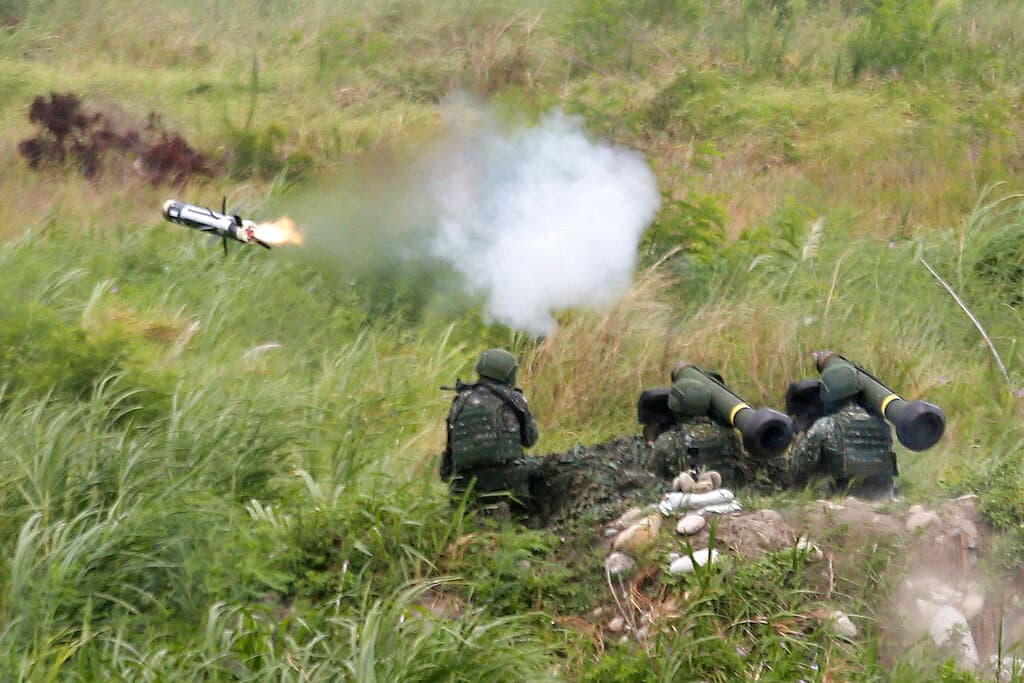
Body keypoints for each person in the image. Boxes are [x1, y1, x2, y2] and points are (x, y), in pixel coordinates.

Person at [439, 348, 539, 513]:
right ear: (509, 374)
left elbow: (450, 454)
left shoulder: (459, 401)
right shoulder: (514, 399)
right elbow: (530, 439)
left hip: (465, 486)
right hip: (508, 480)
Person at [785, 360, 898, 498]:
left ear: (827, 393)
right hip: (883, 496)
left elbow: (799, 469)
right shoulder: (883, 426)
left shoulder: (826, 425)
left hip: (842, 497)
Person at [648, 371, 747, 488]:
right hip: (727, 496)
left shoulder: (667, 441)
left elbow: (652, 480)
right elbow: (739, 465)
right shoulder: (729, 434)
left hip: (686, 499)